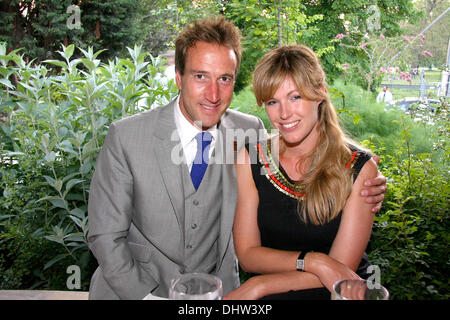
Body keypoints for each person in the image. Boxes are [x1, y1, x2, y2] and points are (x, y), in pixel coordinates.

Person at [87, 17, 387, 300]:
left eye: (225, 79)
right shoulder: (126, 137)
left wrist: (364, 173)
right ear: (179, 78)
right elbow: (104, 235)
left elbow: (316, 148)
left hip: (221, 294)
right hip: (137, 290)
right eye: (200, 76)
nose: (213, 94)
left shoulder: (248, 132)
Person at [225, 45, 381, 300]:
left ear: (320, 94)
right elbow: (248, 255)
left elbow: (341, 272)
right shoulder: (250, 158)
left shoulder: (359, 168)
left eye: (295, 97)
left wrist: (259, 286)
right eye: (273, 102)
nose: (284, 113)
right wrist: (315, 262)